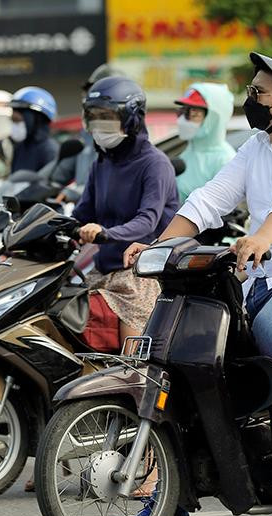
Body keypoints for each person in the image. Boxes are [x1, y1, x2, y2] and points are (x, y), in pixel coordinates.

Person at [118, 50, 272, 516]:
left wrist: (262, 238)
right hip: (251, 285)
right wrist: (161, 245)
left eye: (260, 92)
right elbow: (208, 200)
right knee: (175, 370)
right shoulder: (255, 147)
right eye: (252, 90)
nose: (251, 99)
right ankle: (166, 511)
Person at [74, 76, 179, 345]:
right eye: (94, 118)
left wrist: (105, 233)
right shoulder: (101, 163)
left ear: (131, 117)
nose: (99, 127)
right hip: (104, 271)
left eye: (107, 117)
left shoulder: (155, 165)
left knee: (133, 366)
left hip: (143, 275)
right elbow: (83, 213)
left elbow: (147, 221)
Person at [46, 64, 127, 193]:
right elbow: (60, 173)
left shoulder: (123, 141)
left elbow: (117, 189)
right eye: (88, 95)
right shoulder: (86, 136)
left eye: (99, 95)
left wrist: (77, 194)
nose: (89, 102)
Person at [173, 83, 236, 203]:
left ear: (213, 118)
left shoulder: (225, 161)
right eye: (181, 111)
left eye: (192, 113)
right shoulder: (189, 151)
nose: (182, 120)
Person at [9, 86, 58, 173]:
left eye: (17, 120)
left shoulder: (50, 151)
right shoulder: (20, 148)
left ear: (37, 118)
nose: (14, 125)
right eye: (13, 120)